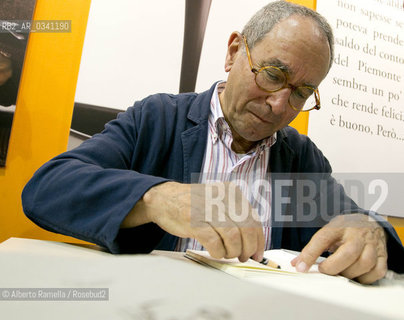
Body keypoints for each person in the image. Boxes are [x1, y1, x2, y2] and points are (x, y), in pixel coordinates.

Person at [22, 1, 404, 284]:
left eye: (302, 92)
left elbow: (352, 219)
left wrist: (370, 229)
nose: (279, 104)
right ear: (234, 51)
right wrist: (158, 198)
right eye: (273, 74)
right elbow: (48, 188)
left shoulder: (300, 157)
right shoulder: (158, 118)